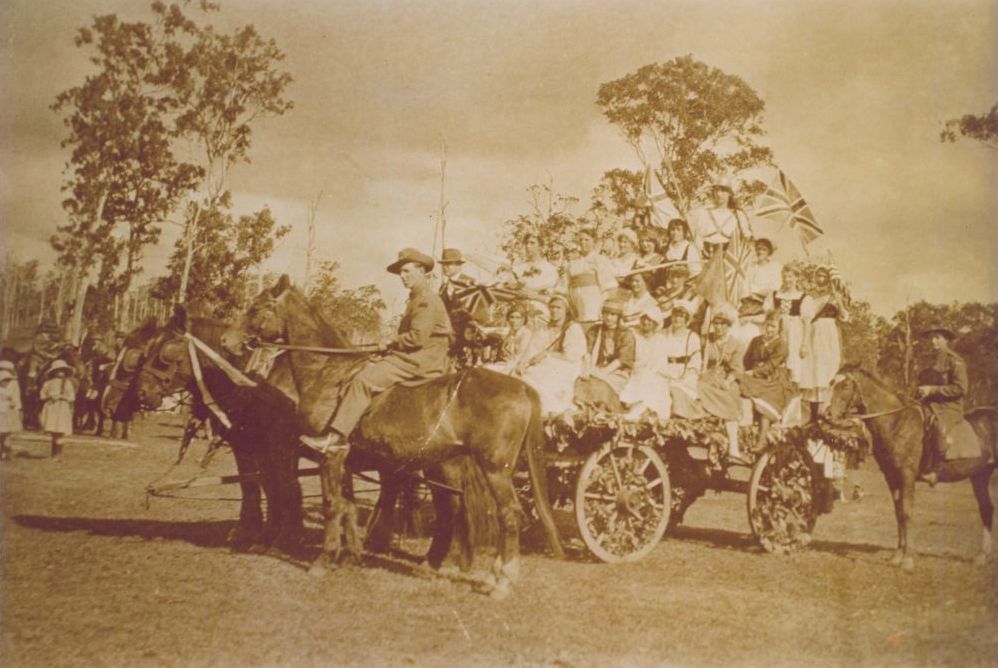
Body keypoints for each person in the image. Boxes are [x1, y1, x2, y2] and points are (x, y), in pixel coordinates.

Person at [301, 248, 454, 454]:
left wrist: (390, 342)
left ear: (422, 271)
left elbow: (417, 337)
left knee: (363, 381)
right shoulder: (417, 298)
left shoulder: (426, 300)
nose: (403, 276)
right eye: (401, 272)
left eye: (407, 271)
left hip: (420, 361)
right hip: (415, 357)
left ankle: (336, 438)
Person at [915, 326, 979, 485]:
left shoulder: (955, 360)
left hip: (950, 407)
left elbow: (960, 389)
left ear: (946, 340)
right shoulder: (930, 361)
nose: (933, 341)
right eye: (931, 338)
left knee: (939, 427)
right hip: (930, 405)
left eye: (937, 337)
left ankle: (936, 471)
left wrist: (932, 390)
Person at [520, 294, 588, 416]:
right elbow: (532, 349)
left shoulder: (573, 328)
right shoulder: (544, 328)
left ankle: (549, 411)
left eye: (558, 308)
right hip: (545, 362)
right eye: (552, 307)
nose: (554, 311)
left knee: (545, 376)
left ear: (566, 310)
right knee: (524, 373)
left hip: (568, 365)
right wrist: (523, 363)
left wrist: (547, 355)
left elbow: (572, 356)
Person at [738, 312, 797, 446]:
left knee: (768, 399)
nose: (769, 329)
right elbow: (746, 360)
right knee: (737, 384)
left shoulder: (781, 345)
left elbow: (770, 366)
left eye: (773, 327)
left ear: (779, 329)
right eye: (768, 325)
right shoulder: (756, 340)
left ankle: (762, 438)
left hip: (774, 378)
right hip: (754, 375)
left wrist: (753, 372)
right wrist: (747, 371)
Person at [799, 266, 849, 422]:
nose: (821, 279)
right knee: (816, 372)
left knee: (829, 370)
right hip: (815, 333)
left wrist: (838, 300)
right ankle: (814, 417)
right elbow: (806, 319)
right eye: (818, 276)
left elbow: (845, 317)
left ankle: (829, 413)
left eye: (824, 276)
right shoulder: (809, 296)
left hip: (830, 334)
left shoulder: (835, 296)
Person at [698, 306, 747, 462]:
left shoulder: (736, 344)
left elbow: (737, 369)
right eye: (716, 324)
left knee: (729, 398)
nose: (718, 327)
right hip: (707, 376)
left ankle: (733, 445)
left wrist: (728, 380)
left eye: (722, 324)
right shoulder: (706, 340)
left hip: (726, 378)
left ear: (728, 326)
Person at [574, 300, 636, 413]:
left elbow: (622, 360)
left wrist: (603, 373)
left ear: (618, 316)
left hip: (617, 371)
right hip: (595, 367)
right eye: (606, 313)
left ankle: (603, 409)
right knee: (581, 379)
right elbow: (588, 352)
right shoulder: (595, 330)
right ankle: (585, 408)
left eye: (613, 314)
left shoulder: (626, 334)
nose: (609, 317)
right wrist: (588, 369)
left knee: (600, 383)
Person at [619, 306, 671, 420]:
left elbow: (660, 363)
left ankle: (645, 411)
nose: (646, 322)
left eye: (650, 320)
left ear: (655, 323)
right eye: (644, 319)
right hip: (636, 372)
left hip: (656, 374)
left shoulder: (661, 339)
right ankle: (637, 410)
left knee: (652, 384)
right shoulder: (635, 336)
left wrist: (648, 372)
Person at [660, 301, 702, 419]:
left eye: (681, 316)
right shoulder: (662, 334)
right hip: (664, 370)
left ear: (686, 319)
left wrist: (687, 374)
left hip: (684, 373)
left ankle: (680, 415)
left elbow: (695, 362)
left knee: (678, 389)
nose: (677, 319)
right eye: (675, 315)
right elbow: (656, 356)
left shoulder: (692, 337)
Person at [688, 181, 752, 258]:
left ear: (729, 193)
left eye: (722, 190)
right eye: (716, 190)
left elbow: (746, 238)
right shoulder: (704, 213)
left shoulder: (738, 215)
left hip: (729, 258)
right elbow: (698, 238)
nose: (718, 193)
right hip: (707, 255)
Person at [566, 229, 615, 324]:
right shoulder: (572, 263)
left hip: (594, 304)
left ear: (594, 242)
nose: (583, 243)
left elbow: (609, 288)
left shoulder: (601, 260)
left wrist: (603, 308)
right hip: (575, 306)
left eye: (586, 240)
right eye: (580, 240)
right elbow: (566, 286)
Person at [765, 265, 805, 383]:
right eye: (785, 276)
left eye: (790, 277)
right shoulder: (775, 295)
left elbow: (807, 323)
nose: (787, 279)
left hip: (795, 333)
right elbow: (768, 314)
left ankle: (793, 392)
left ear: (797, 278)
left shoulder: (803, 297)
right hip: (777, 330)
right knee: (776, 357)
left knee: (793, 361)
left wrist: (804, 344)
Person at [511, 233, 559, 325]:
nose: (528, 246)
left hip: (540, 311)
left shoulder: (549, 269)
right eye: (527, 243)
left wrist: (533, 296)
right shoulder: (519, 268)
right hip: (518, 313)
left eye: (532, 243)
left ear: (541, 247)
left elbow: (552, 298)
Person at [40, 359, 76, 459]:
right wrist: (49, 397)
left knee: (60, 431)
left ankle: (58, 454)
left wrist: (62, 397)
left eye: (62, 371)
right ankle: (53, 453)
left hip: (62, 408)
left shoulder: (67, 383)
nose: (60, 373)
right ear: (53, 372)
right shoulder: (48, 383)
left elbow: (72, 397)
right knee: (54, 432)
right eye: (58, 371)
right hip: (52, 408)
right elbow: (42, 395)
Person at [487, 304, 533, 375]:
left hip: (519, 366)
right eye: (512, 317)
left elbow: (520, 355)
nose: (514, 321)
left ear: (523, 320)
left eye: (518, 318)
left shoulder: (526, 333)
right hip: (506, 364)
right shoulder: (510, 332)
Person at [0, 367, 22, 460]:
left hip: (7, 414)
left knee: (7, 434)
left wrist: (13, 404)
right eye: (4, 380)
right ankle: (2, 452)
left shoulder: (10, 390)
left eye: (8, 381)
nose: (6, 382)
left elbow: (14, 401)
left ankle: (6, 452)